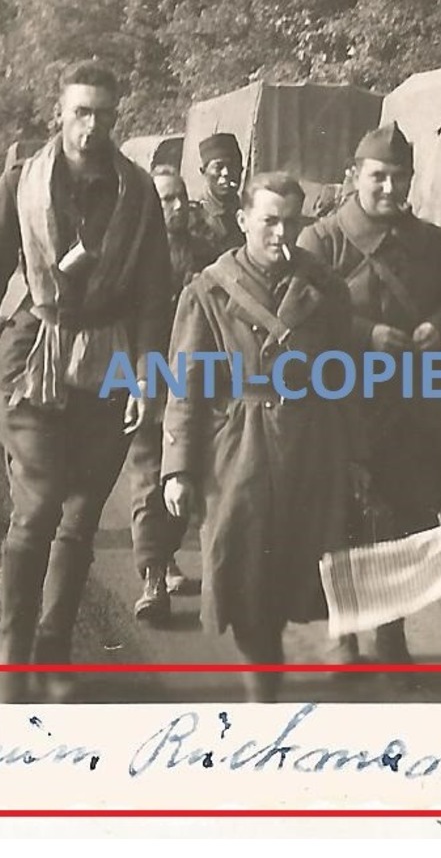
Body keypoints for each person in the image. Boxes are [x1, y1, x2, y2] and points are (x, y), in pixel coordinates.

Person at [0, 60, 173, 702]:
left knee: (79, 518)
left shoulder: (138, 193)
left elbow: (155, 297)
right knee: (42, 500)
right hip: (31, 364)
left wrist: (146, 377)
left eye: (104, 114)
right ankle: (11, 648)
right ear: (60, 113)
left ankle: (52, 646)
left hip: (107, 368)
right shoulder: (23, 182)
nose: (92, 126)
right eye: (81, 112)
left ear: (115, 119)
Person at [160, 172, 362, 702]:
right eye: (269, 220)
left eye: (291, 221)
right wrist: (178, 467)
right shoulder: (207, 290)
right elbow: (186, 384)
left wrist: (351, 453)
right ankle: (262, 693)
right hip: (238, 449)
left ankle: (278, 675)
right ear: (243, 219)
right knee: (245, 570)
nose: (281, 233)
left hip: (309, 446)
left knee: (298, 568)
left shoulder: (325, 288)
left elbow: (345, 375)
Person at [297, 121, 441, 665]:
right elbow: (298, 319)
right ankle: (344, 635)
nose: (391, 189)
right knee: (340, 519)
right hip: (341, 398)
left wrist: (437, 328)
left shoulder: (432, 242)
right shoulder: (321, 239)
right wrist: (364, 334)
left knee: (400, 520)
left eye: (401, 177)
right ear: (355, 177)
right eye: (379, 177)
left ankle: (390, 635)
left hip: (410, 404)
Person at [126, 165, 209, 623]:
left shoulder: (204, 253)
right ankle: (152, 578)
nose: (175, 209)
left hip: (195, 376)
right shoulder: (132, 253)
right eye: (165, 200)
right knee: (148, 477)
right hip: (146, 371)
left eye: (180, 199)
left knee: (184, 474)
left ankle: (166, 556)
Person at [191, 131, 246, 259]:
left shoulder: (250, 210)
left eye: (233, 166)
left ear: (242, 170)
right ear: (204, 172)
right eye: (218, 167)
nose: (226, 173)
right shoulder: (195, 218)